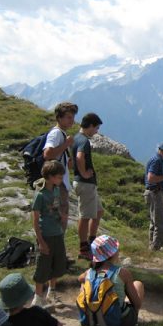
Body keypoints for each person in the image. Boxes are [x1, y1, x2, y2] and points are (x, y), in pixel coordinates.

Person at [77, 235, 144, 326]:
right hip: (119, 323)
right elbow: (137, 304)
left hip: (93, 322)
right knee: (137, 284)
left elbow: (79, 279)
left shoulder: (89, 272)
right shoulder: (122, 272)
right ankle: (132, 321)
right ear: (112, 254)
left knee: (84, 284)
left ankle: (93, 317)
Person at [31, 160, 68, 306]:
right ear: (50, 176)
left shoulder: (56, 190)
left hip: (57, 232)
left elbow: (56, 206)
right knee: (43, 266)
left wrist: (62, 215)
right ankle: (38, 297)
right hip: (46, 234)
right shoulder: (40, 195)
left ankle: (52, 291)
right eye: (59, 177)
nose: (61, 180)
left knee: (58, 263)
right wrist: (40, 240)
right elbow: (35, 219)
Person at [72, 112, 104, 260]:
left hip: (86, 183)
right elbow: (79, 157)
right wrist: (84, 173)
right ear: (90, 126)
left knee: (98, 212)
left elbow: (72, 160)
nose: (96, 131)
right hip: (85, 183)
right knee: (85, 216)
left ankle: (92, 240)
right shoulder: (84, 141)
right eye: (96, 128)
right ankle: (84, 248)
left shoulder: (76, 138)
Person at [43, 101, 77, 230]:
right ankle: (55, 245)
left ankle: (57, 244)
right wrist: (66, 144)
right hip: (57, 185)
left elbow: (57, 158)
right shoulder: (56, 133)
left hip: (60, 183)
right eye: (68, 117)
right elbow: (47, 154)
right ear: (59, 117)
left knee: (61, 216)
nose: (72, 121)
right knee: (59, 217)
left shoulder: (61, 133)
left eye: (73, 117)